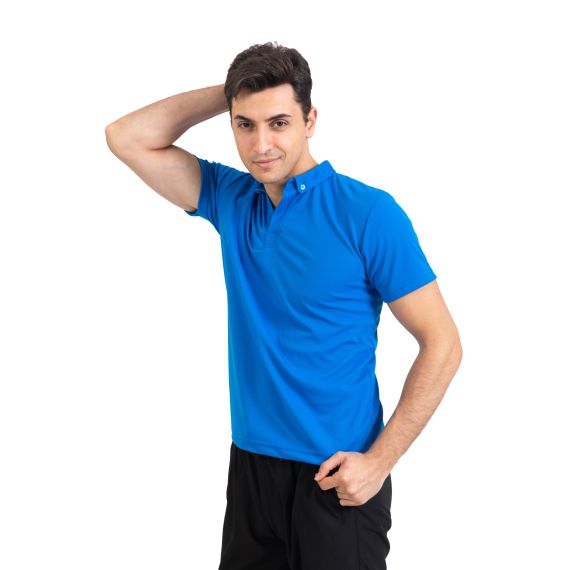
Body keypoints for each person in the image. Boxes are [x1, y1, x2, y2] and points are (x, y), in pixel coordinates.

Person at [105, 41, 462, 570]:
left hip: (336, 475)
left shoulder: (367, 213)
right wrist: (231, 93)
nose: (261, 144)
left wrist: (380, 461)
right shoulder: (231, 198)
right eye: (244, 125)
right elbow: (126, 136)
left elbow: (443, 344)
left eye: (278, 122)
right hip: (252, 466)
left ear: (310, 120)